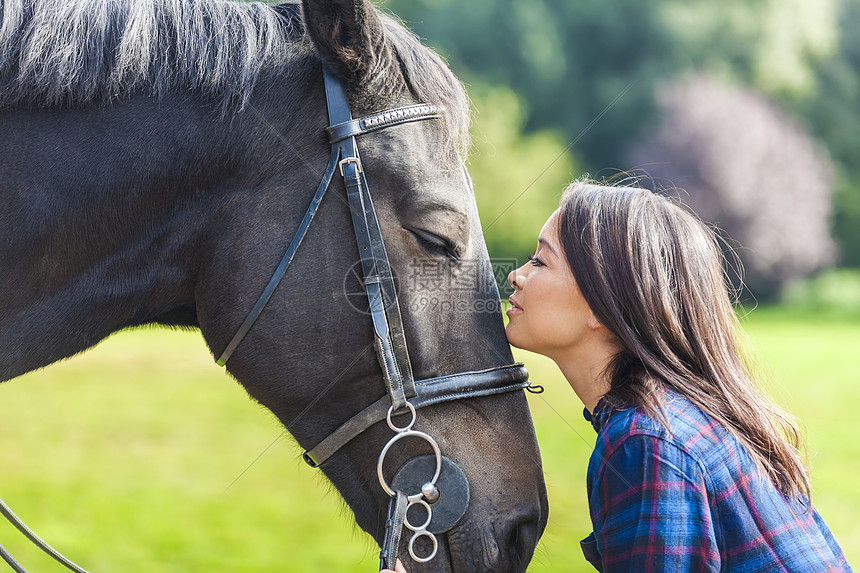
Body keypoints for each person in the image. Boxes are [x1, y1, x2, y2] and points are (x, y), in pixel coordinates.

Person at [381, 177, 852, 572]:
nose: (516, 276)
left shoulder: (644, 443)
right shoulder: (680, 420)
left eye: (541, 261)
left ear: (602, 304)